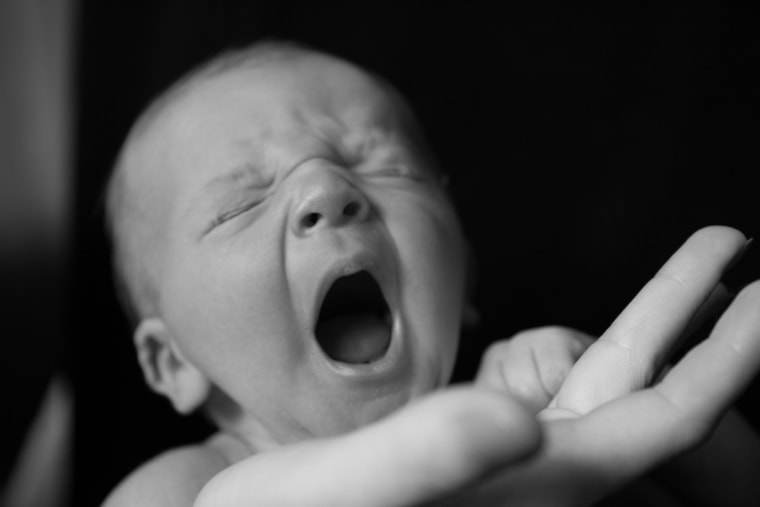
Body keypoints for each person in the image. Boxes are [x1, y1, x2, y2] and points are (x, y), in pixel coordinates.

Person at [101, 40, 760, 506]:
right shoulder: (177, 490)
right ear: (172, 361)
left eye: (385, 165)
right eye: (239, 205)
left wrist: (660, 410)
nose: (325, 189)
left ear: (465, 280)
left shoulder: (535, 419)